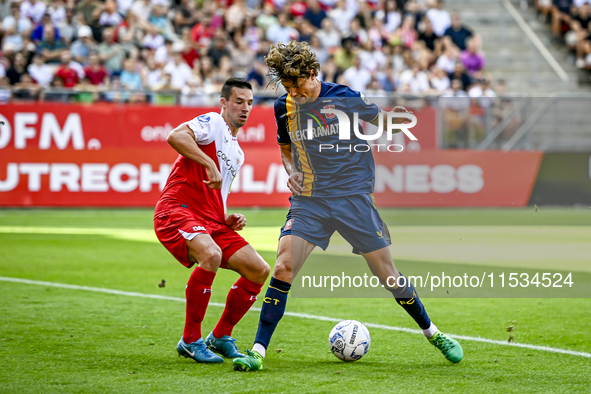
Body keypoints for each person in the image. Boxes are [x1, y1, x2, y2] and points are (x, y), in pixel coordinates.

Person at [232, 41, 463, 372]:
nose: (293, 93)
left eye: (296, 85)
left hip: (353, 198)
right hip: (310, 200)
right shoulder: (283, 107)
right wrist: (291, 170)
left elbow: (384, 122)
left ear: (313, 74)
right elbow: (285, 148)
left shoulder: (345, 98)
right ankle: (257, 351)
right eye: (287, 87)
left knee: (388, 274)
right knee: (283, 267)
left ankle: (433, 332)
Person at [154, 77, 270, 364]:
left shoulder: (238, 152)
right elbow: (175, 136)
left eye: (250, 103)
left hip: (211, 220)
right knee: (211, 254)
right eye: (239, 101)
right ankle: (190, 340)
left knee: (259, 270)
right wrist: (208, 162)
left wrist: (227, 218)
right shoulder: (213, 123)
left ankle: (219, 336)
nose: (245, 108)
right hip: (177, 209)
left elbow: (217, 191)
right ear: (224, 102)